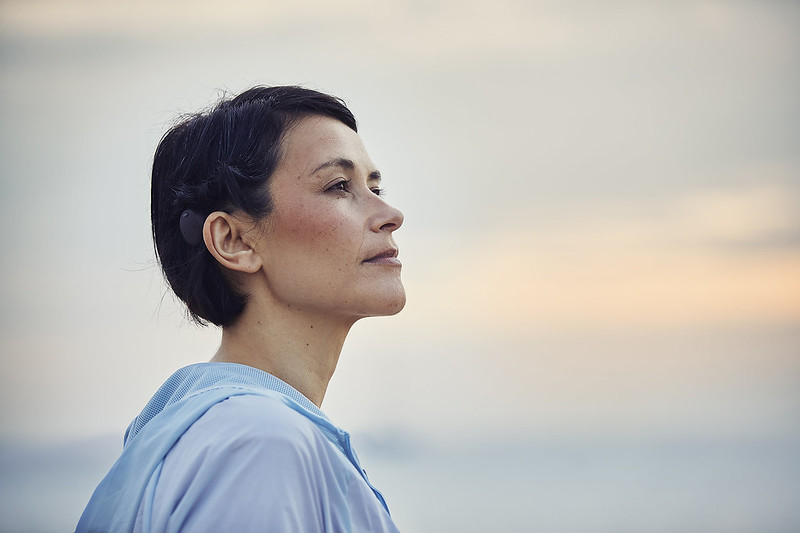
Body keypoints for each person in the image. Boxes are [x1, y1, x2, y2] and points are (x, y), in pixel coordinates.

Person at [76, 86, 405, 532]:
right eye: (338, 186)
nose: (390, 212)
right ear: (234, 241)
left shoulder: (194, 431)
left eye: (375, 185)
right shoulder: (261, 442)